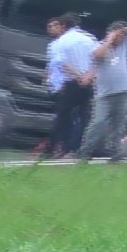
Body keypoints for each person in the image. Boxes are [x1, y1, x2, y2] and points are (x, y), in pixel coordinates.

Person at [77, 21, 127, 162]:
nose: (119, 38)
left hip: (123, 92)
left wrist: (122, 30)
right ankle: (85, 153)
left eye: (121, 36)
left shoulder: (124, 45)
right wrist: (110, 38)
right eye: (117, 36)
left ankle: (116, 154)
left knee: (119, 125)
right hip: (104, 95)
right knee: (98, 123)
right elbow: (99, 55)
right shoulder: (99, 46)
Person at [45, 14, 95, 158]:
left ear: (63, 26)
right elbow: (98, 59)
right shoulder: (90, 38)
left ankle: (55, 148)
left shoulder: (60, 42)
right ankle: (78, 149)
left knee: (62, 117)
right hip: (87, 83)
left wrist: (77, 75)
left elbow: (61, 64)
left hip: (69, 83)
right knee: (84, 118)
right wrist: (87, 77)